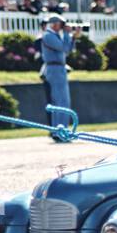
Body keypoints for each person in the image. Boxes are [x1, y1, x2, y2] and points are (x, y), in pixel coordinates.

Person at [39, 13, 78, 141]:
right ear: (55, 24)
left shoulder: (54, 35)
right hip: (54, 69)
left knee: (63, 102)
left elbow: (69, 49)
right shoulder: (48, 35)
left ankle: (61, 131)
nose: (63, 27)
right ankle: (59, 131)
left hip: (59, 69)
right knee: (61, 102)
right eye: (61, 24)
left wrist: (73, 37)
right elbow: (64, 48)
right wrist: (67, 34)